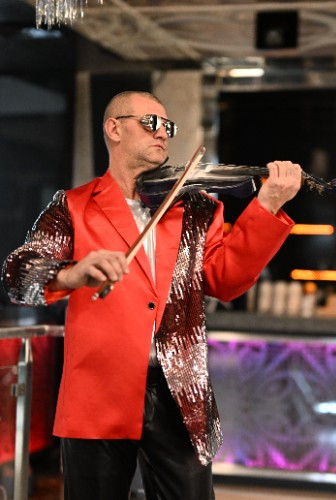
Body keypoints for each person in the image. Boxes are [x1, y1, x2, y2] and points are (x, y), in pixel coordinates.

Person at [2, 90, 301, 500]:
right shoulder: (72, 206)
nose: (163, 133)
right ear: (114, 129)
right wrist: (71, 274)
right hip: (98, 389)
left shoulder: (196, 208)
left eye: (168, 126)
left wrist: (265, 207)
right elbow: (18, 273)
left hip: (179, 390)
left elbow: (225, 281)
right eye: (151, 123)